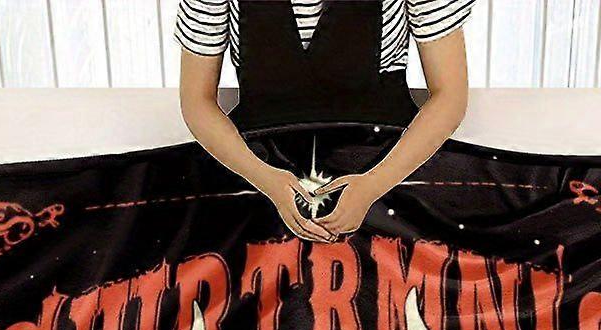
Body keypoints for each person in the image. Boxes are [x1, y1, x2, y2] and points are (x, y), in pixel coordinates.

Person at [177, 0, 473, 241]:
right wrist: (264, 179)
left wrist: (373, 186)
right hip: (259, 175)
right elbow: (197, 102)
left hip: (389, 170)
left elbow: (449, 96)